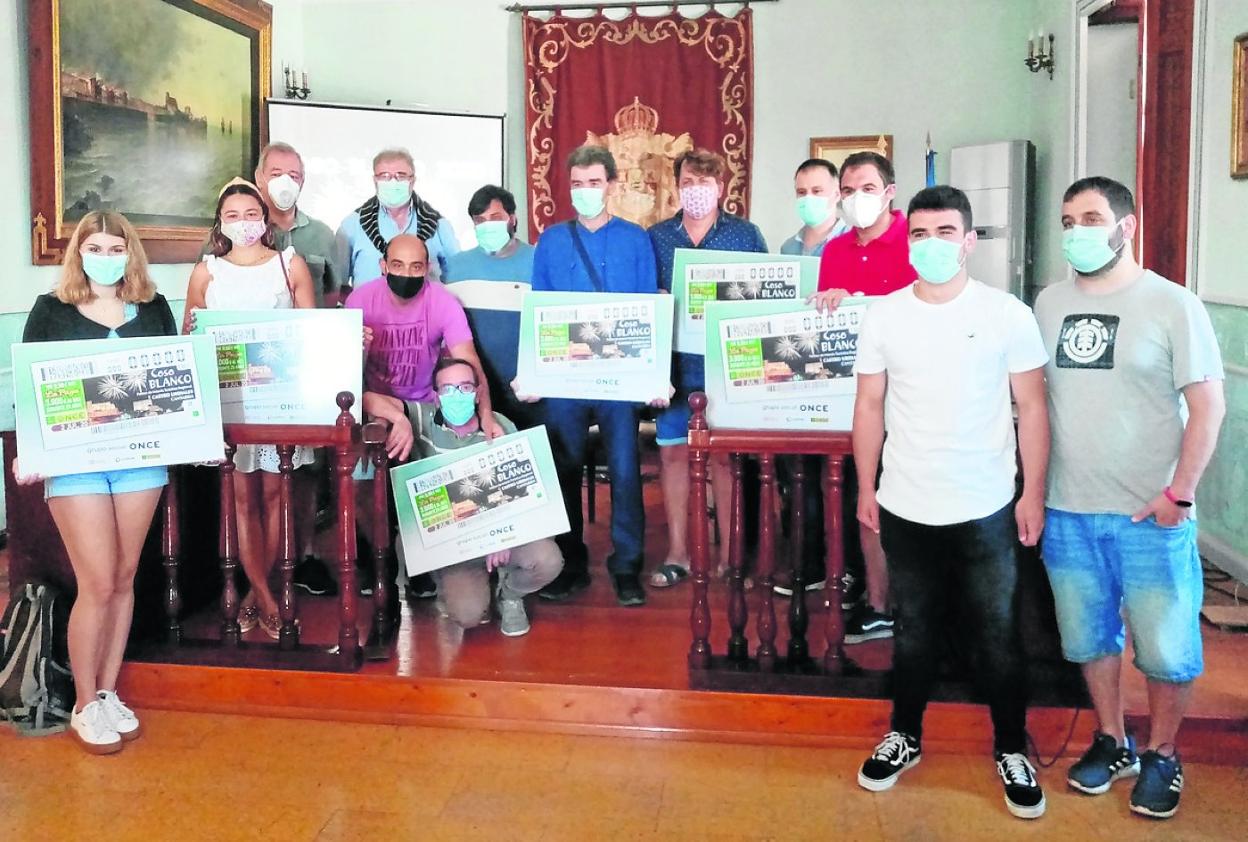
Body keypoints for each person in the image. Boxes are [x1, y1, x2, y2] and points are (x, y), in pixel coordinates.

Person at [852, 186, 1050, 820]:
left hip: (987, 504)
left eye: (944, 233)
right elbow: (869, 408)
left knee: (996, 636)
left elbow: (1033, 409)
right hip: (906, 501)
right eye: (918, 233)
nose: (930, 245)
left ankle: (1010, 748)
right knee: (913, 632)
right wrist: (865, 488)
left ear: (968, 242)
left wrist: (1033, 493)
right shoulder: (883, 315)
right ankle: (904, 735)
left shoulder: (1006, 313)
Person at [1034, 177, 1225, 820]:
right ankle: (1113, 740)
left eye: (1092, 217)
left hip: (1151, 512)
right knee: (1090, 640)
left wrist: (1181, 494)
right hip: (1069, 508)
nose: (1077, 230)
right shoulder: (1048, 303)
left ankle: (1164, 752)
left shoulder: (1173, 304)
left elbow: (1208, 406)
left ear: (1127, 225)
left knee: (1168, 648)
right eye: (1068, 220)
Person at [15, 211, 178, 754]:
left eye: (115, 248)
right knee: (99, 579)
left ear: (130, 253)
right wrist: (31, 450)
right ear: (78, 251)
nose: (105, 257)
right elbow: (32, 387)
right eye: (95, 247)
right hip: (75, 462)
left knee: (126, 576)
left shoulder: (153, 308)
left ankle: (108, 692)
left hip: (140, 458)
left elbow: (173, 381)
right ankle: (85, 702)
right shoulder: (50, 311)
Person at [518, 144, 660, 607]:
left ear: (612, 186)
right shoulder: (552, 241)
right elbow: (540, 311)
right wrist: (535, 373)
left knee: (623, 469)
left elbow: (647, 312)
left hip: (619, 380)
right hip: (564, 380)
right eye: (577, 185)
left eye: (594, 183)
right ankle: (569, 563)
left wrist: (653, 378)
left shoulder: (636, 239)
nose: (585, 192)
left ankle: (626, 566)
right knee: (565, 469)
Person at [182, 179, 317, 639]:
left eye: (251, 214)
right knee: (241, 500)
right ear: (221, 223)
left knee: (277, 497)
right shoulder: (207, 272)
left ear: (265, 219)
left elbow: (311, 333)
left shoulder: (289, 264)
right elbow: (190, 338)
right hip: (230, 402)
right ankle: (264, 596)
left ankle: (264, 589)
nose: (244, 223)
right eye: (233, 216)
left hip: (279, 402)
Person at [802, 151, 919, 644]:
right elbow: (828, 324)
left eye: (866, 189)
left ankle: (914, 603)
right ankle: (877, 601)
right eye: (847, 191)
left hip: (914, 397)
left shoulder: (916, 239)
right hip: (853, 399)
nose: (855, 199)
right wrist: (830, 303)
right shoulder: (835, 250)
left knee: (911, 504)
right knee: (862, 498)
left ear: (889, 192)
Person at [362, 358, 563, 636]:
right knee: (467, 615)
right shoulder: (423, 419)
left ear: (478, 392)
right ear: (436, 396)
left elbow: (526, 490)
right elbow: (367, 399)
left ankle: (511, 594)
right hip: (456, 546)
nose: (457, 395)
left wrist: (505, 535)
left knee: (548, 560)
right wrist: (399, 420)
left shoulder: (499, 426)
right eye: (447, 389)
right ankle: (466, 585)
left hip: (502, 535)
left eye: (465, 387)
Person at [347, 233, 500, 599]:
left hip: (427, 403)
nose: (407, 273)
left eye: (416, 266)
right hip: (373, 401)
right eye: (397, 265)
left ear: (427, 269)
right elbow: (345, 377)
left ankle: (420, 561)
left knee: (431, 483)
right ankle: (377, 556)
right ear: (383, 267)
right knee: (361, 480)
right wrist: (361, 353)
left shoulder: (442, 302)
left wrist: (488, 416)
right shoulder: (361, 299)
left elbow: (469, 363)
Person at [646, 149, 767, 589]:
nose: (696, 191)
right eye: (688, 182)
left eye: (705, 183)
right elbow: (646, 302)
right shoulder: (657, 236)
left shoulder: (745, 235)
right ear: (677, 186)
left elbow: (767, 300)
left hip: (725, 367)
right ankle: (678, 552)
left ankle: (731, 556)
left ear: (721, 187)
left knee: (724, 461)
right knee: (674, 455)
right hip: (675, 369)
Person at [250, 141, 342, 598]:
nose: (286, 181)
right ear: (260, 176)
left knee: (305, 471)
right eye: (276, 171)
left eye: (295, 173)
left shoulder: (324, 236)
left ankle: (302, 555)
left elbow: (335, 300)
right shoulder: (236, 231)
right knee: (253, 483)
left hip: (308, 373)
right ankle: (256, 576)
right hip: (251, 378)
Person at [444, 185, 538, 429]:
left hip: (527, 387)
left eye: (495, 218)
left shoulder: (539, 261)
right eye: (480, 220)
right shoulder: (454, 268)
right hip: (475, 386)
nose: (487, 225)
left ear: (512, 218)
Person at [335, 148, 460, 288]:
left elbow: (457, 278)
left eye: (401, 176)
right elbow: (338, 285)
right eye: (384, 176)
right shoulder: (352, 225)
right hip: (369, 309)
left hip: (427, 308)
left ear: (412, 180)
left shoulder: (438, 225)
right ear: (375, 180)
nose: (393, 182)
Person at [779, 158, 850, 256]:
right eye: (801, 192)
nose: (808, 198)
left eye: (816, 191)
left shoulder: (856, 244)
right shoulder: (788, 248)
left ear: (837, 195)